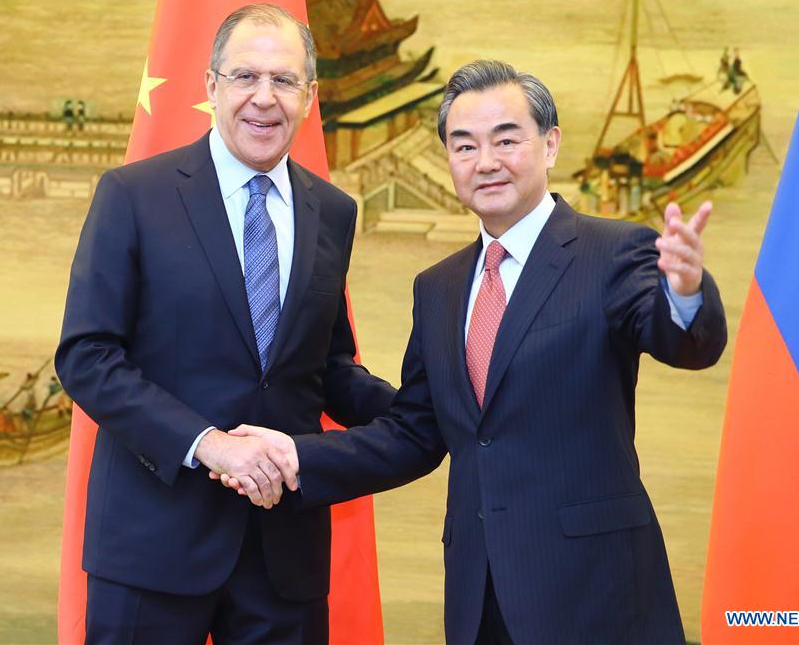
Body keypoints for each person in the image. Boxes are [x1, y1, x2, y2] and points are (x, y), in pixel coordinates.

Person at [218, 60, 728, 644]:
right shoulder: (437, 287)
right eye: (464, 146)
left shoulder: (612, 253)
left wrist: (685, 292)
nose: (486, 161)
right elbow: (415, 431)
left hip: (597, 593)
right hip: (479, 597)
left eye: (506, 139)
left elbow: (683, 341)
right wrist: (295, 457)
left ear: (551, 143)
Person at [55, 3, 395, 644]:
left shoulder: (334, 211)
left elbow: (326, 368)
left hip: (282, 555)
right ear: (211, 86)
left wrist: (429, 408)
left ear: (310, 95)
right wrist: (209, 443)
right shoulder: (135, 194)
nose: (264, 99)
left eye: (284, 81)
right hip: (153, 545)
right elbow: (88, 356)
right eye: (245, 77)